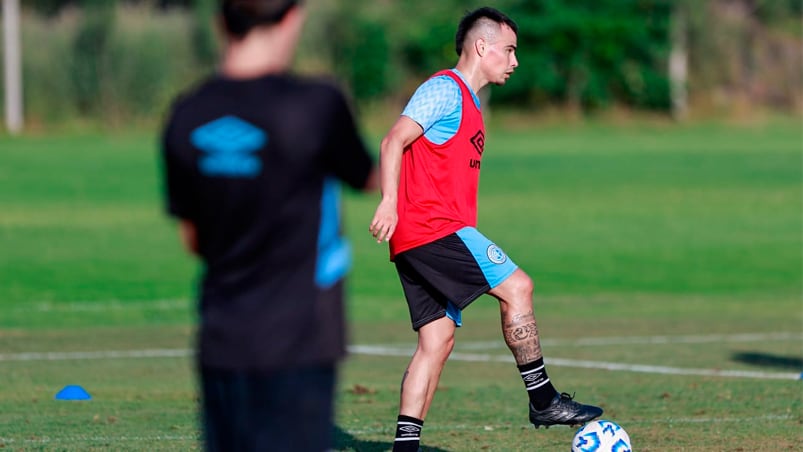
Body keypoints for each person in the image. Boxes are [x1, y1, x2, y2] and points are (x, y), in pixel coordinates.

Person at [369, 7, 603, 450]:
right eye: (509, 50)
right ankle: (543, 398)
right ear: (482, 46)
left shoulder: (471, 104)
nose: (515, 61)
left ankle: (404, 447)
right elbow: (392, 139)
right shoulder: (444, 90)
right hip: (432, 227)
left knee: (436, 341)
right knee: (519, 287)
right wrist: (388, 201)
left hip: (419, 235)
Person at [160, 1, 378, 450]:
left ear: (220, 22)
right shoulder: (316, 105)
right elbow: (369, 178)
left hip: (221, 341)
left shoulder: (187, 113)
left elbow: (193, 239)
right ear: (293, 18)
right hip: (298, 343)